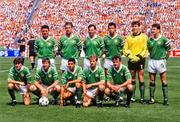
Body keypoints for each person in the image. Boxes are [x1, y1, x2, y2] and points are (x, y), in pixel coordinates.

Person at [123, 21, 148, 104]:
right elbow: (125, 49)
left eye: (136, 26)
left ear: (139, 26)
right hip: (132, 60)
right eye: (133, 26)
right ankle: (132, 97)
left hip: (140, 59)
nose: (134, 27)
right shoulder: (128, 37)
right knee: (132, 78)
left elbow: (145, 48)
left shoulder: (144, 36)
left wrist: (139, 56)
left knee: (141, 77)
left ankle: (142, 98)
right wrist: (131, 57)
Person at [147, 24, 171, 105]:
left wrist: (164, 59)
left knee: (163, 80)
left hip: (160, 61)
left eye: (154, 29)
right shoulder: (150, 40)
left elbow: (169, 51)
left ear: (158, 30)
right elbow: (149, 50)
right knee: (152, 80)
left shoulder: (164, 39)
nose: (152, 31)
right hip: (152, 61)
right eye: (152, 29)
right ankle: (152, 98)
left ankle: (165, 99)